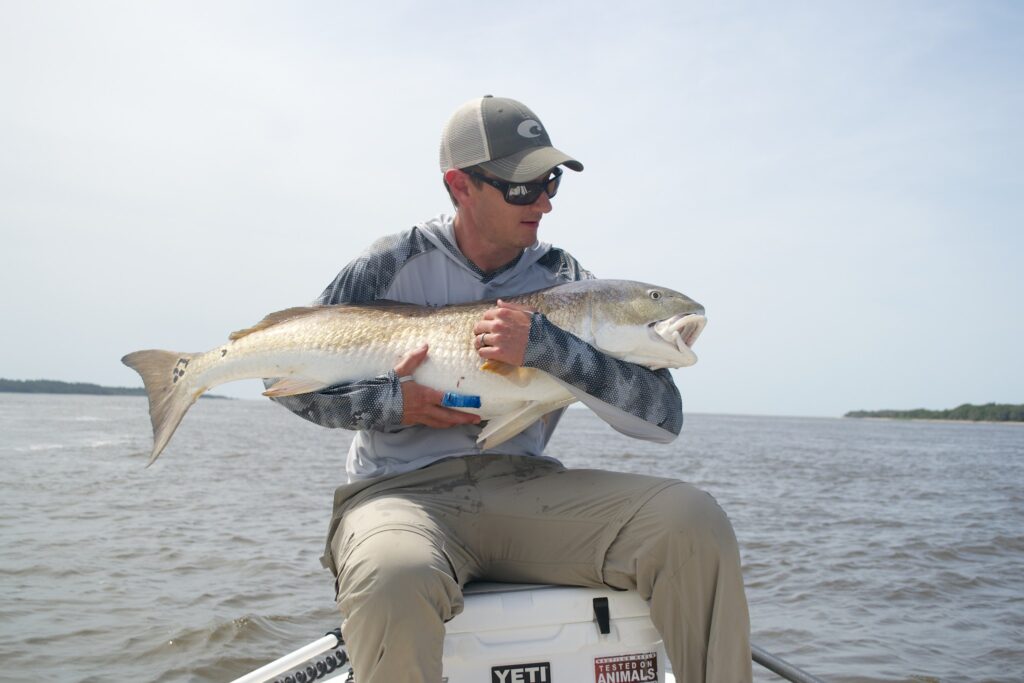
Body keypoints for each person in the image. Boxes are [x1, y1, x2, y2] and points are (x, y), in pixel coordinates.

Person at [271, 95, 752, 683]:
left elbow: (662, 416)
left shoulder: (571, 283)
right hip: (398, 497)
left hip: (527, 488)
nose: (545, 201)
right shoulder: (388, 263)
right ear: (461, 185)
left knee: (690, 521)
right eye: (523, 187)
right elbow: (284, 383)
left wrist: (551, 347)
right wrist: (393, 404)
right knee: (394, 574)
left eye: (551, 181)